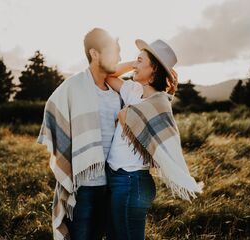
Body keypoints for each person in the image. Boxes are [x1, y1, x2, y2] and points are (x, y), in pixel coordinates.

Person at [105, 39, 204, 240]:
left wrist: (126, 115)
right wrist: (139, 61)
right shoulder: (132, 89)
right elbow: (108, 74)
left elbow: (125, 116)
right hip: (117, 179)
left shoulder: (159, 102)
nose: (134, 65)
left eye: (140, 61)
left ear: (154, 69)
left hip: (132, 183)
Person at [37, 27, 124, 240]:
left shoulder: (117, 91)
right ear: (94, 54)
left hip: (111, 183)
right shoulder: (74, 86)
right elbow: (51, 109)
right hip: (83, 187)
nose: (120, 57)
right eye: (114, 51)